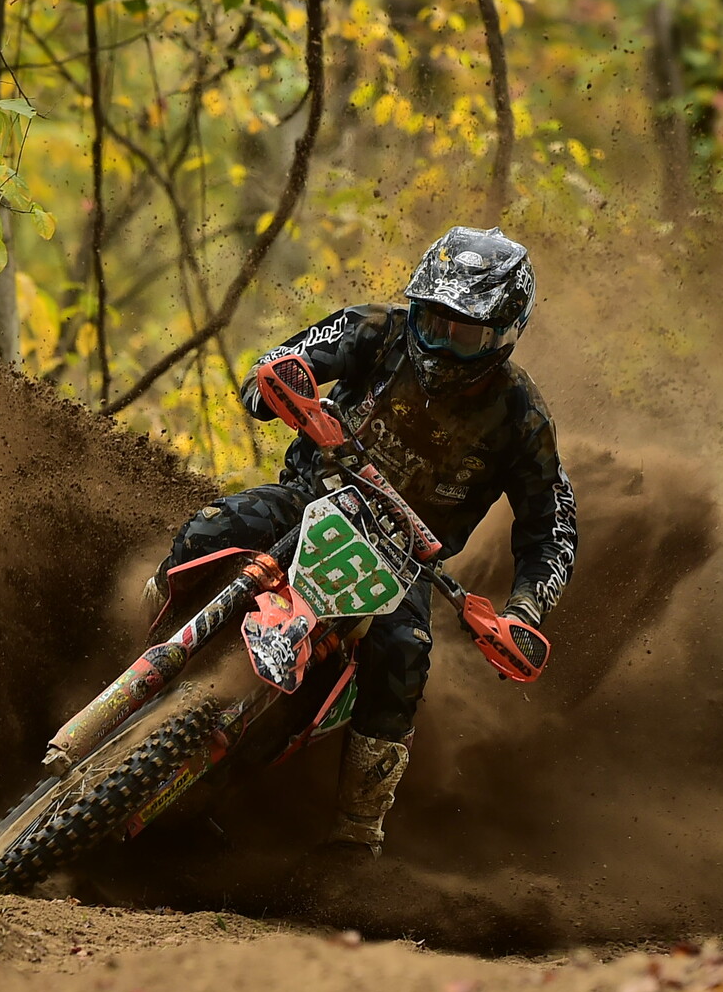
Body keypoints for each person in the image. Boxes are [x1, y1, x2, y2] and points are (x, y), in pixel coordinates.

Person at [158, 225, 577, 859]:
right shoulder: (375, 329)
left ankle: (356, 834)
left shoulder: (524, 419)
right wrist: (274, 389)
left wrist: (523, 610)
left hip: (401, 564)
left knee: (404, 657)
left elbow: (551, 528)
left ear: (501, 335)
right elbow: (283, 364)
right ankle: (134, 641)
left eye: (462, 332)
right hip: (310, 496)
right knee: (209, 531)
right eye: (432, 320)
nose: (439, 341)